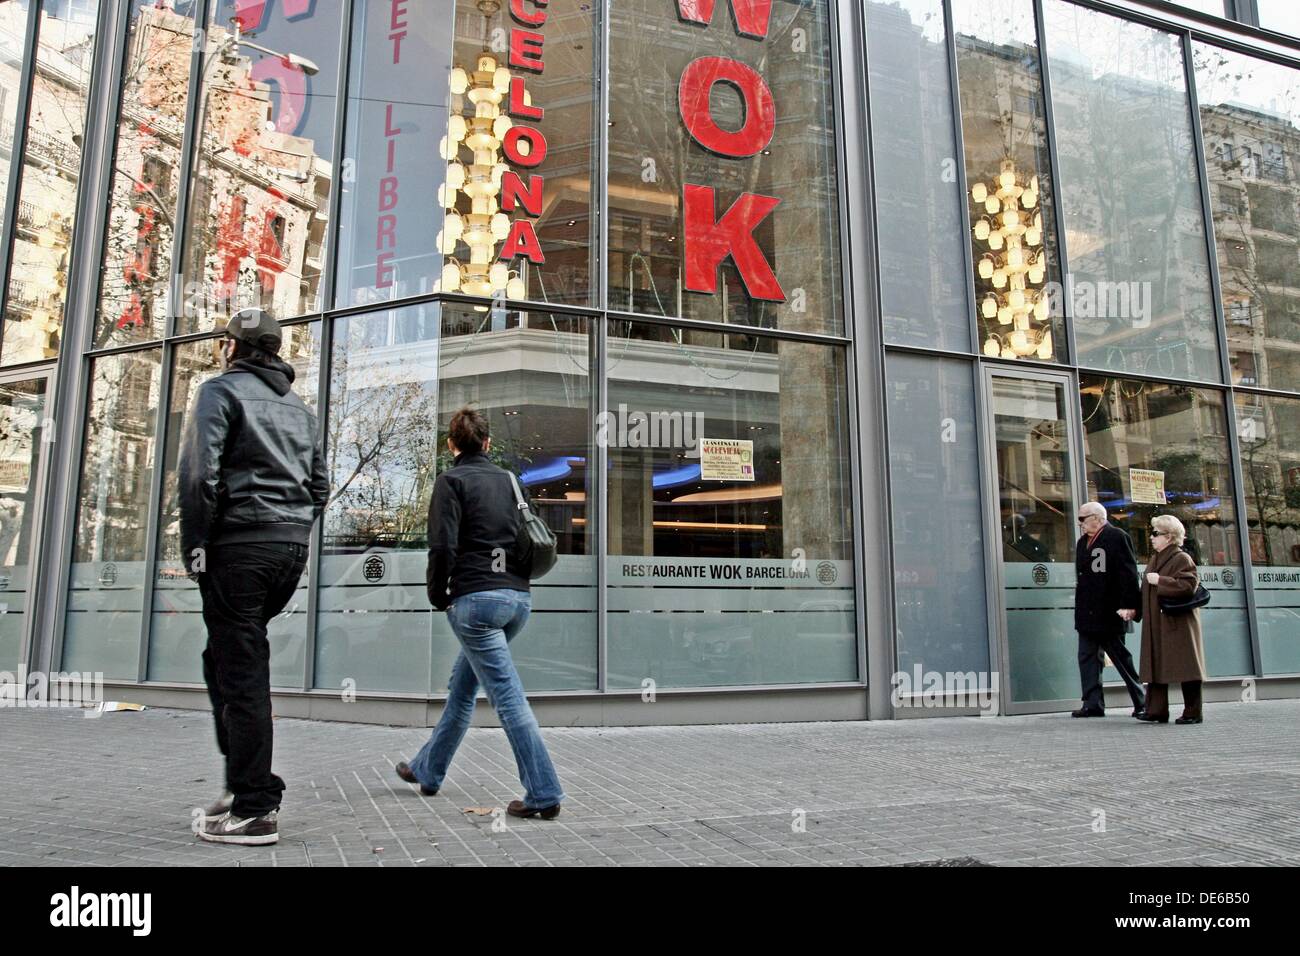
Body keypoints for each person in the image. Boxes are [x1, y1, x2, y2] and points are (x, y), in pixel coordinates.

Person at [179, 308, 328, 845]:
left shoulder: (220, 392)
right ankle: (243, 781)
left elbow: (200, 475)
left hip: (239, 548)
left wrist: (195, 544)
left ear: (231, 346)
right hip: (287, 551)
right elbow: (319, 487)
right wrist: (290, 530)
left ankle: (255, 805)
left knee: (240, 672)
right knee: (223, 659)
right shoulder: (301, 410)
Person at [396, 406, 565, 818]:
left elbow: (442, 547)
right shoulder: (511, 481)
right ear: (488, 443)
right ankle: (428, 770)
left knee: (507, 699)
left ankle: (544, 792)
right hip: (517, 601)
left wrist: (439, 595)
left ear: (451, 445)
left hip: (476, 601)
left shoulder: (450, 482)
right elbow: (530, 536)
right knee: (462, 689)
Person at [1071, 501, 1146, 718]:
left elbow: (1128, 573)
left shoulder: (1117, 537)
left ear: (1098, 518)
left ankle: (1141, 701)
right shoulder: (1082, 542)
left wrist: (1129, 605)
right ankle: (1092, 703)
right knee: (1087, 657)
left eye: (1082, 519)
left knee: (1120, 657)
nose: (1080, 524)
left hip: (1109, 611)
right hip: (1087, 612)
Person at [1136, 514, 1206, 725]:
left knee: (1187, 667)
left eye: (1156, 533)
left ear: (1169, 536)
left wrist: (1161, 580)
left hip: (1177, 623)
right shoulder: (1156, 559)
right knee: (1155, 664)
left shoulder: (1181, 558)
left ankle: (1193, 712)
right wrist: (1134, 611)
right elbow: (1146, 591)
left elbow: (1188, 585)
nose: (1151, 537)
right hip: (1159, 622)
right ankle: (1156, 710)